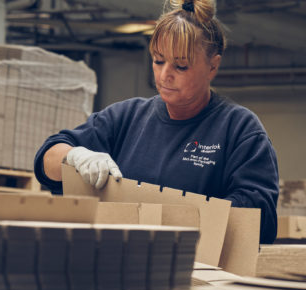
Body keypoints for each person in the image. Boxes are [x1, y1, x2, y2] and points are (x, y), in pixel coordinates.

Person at [33, 0, 280, 243]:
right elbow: (47, 159)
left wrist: (181, 218)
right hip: (120, 262)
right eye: (158, 60)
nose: (164, 76)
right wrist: (76, 156)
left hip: (199, 271)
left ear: (212, 66)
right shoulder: (126, 117)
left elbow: (260, 218)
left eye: (181, 66)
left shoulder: (239, 129)